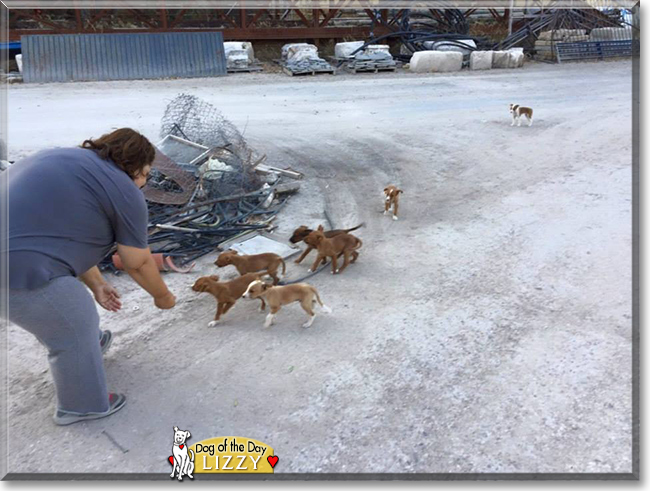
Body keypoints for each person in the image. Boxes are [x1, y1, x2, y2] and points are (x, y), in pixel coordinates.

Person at [2, 128, 176, 425]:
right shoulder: (124, 188)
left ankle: (88, 346)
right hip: (13, 267)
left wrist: (97, 282)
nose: (145, 181)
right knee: (72, 321)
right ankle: (81, 405)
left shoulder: (63, 158)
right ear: (133, 166)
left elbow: (62, 233)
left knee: (68, 311)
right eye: (146, 173)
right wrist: (163, 296)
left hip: (16, 254)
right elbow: (137, 261)